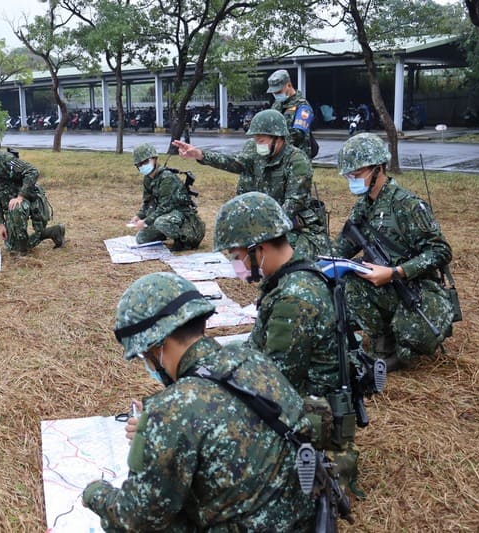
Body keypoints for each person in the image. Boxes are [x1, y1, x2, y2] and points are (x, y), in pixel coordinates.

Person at [82, 272, 315, 531]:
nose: (147, 362)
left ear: (158, 345)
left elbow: (135, 517)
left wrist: (95, 494)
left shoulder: (171, 411)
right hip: (302, 517)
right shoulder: (252, 359)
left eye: (144, 354)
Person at [213, 192, 359, 491]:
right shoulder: (295, 276)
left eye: (237, 256)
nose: (236, 264)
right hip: (312, 398)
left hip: (312, 414)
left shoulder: (294, 299)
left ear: (260, 249)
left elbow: (273, 383)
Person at [332, 133, 455, 371]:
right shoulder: (365, 206)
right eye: (349, 175)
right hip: (385, 283)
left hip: (417, 287)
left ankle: (400, 344)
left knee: (415, 338)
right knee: (348, 282)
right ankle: (383, 342)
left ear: (377, 169)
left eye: (356, 174)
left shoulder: (407, 205)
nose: (352, 180)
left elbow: (441, 251)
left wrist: (395, 272)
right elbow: (342, 247)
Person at [172, 109, 330, 259]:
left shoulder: (297, 160)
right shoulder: (256, 152)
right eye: (255, 139)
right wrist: (200, 155)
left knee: (281, 251)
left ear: (278, 137)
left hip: (294, 224)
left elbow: (294, 203)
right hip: (266, 219)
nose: (257, 143)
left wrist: (262, 232)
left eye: (261, 140)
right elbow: (234, 162)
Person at [129, 143, 205, 251]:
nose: (142, 166)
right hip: (166, 215)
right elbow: (148, 203)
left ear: (155, 159)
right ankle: (165, 233)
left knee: (161, 222)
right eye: (139, 164)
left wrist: (146, 222)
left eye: (145, 162)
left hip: (181, 214)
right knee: (141, 239)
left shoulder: (167, 178)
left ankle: (183, 240)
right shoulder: (148, 179)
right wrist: (139, 216)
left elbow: (165, 207)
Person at [267, 69, 316, 158]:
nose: (275, 94)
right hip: (278, 156)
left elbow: (298, 133)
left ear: (289, 85)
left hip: (297, 158)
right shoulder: (277, 105)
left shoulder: (303, 106)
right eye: (274, 92)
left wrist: (273, 141)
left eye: (278, 91)